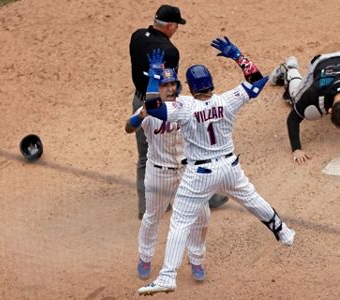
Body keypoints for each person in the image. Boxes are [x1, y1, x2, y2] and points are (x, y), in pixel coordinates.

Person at [137, 37, 296, 296]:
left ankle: (167, 276)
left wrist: (155, 77)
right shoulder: (228, 99)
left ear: (189, 86)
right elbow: (257, 82)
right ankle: (283, 232)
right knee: (252, 198)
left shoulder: (184, 106)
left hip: (200, 174)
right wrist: (238, 56)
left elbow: (154, 107)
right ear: (211, 84)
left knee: (179, 222)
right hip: (230, 168)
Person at [125, 63, 210, 282]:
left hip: (188, 171)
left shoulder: (187, 105)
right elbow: (129, 127)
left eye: (173, 84)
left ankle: (197, 260)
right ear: (158, 88)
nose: (171, 88)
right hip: (159, 173)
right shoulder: (149, 110)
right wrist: (141, 115)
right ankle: (145, 257)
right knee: (152, 217)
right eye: (165, 85)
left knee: (201, 216)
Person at [129, 4, 186, 219]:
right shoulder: (171, 52)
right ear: (170, 26)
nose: (177, 28)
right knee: (181, 152)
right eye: (177, 25)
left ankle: (145, 208)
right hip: (162, 108)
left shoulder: (136, 36)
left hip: (139, 102)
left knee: (145, 157)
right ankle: (206, 196)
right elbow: (170, 86)